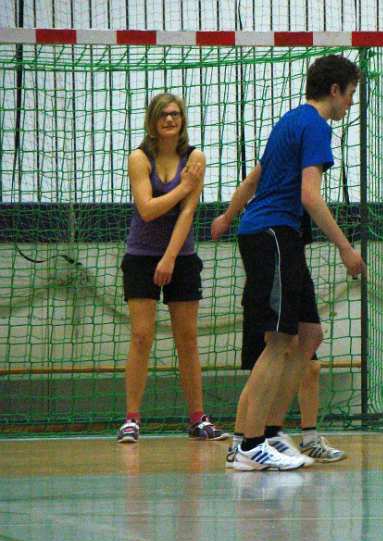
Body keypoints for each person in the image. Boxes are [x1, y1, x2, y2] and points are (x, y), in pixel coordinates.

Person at [210, 55, 364, 471]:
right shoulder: (316, 126)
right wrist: (345, 248)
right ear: (335, 90)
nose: (351, 103)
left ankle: (272, 432)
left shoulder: (289, 121)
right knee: (278, 341)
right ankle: (249, 444)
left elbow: (254, 178)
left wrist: (228, 216)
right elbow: (309, 196)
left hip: (277, 234)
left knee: (309, 335)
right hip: (273, 234)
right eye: (351, 94)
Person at [117, 93, 228, 443]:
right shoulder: (139, 158)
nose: (170, 119)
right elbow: (148, 209)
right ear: (152, 121)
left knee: (188, 338)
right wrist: (184, 186)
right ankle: (131, 419)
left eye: (176, 114)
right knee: (141, 336)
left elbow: (188, 212)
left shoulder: (195, 158)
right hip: (141, 255)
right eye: (163, 114)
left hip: (181, 256)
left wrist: (169, 257)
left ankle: (198, 418)